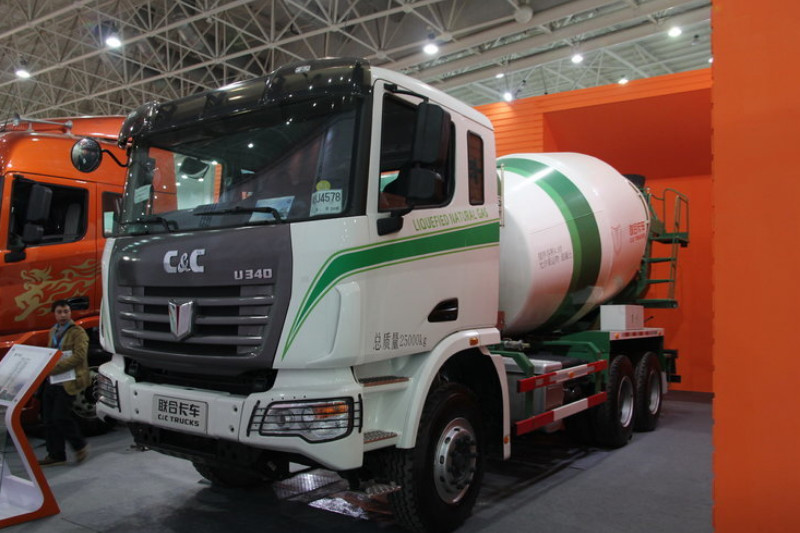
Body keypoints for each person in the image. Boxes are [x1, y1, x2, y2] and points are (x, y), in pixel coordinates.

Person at [38, 300, 90, 466]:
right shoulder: (53, 331)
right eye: (59, 312)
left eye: (66, 311)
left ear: (70, 313)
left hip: (68, 381)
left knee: (60, 417)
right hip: (52, 381)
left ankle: (79, 446)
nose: (63, 315)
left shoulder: (78, 332)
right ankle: (56, 454)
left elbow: (79, 356)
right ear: (54, 314)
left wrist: (54, 369)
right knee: (48, 420)